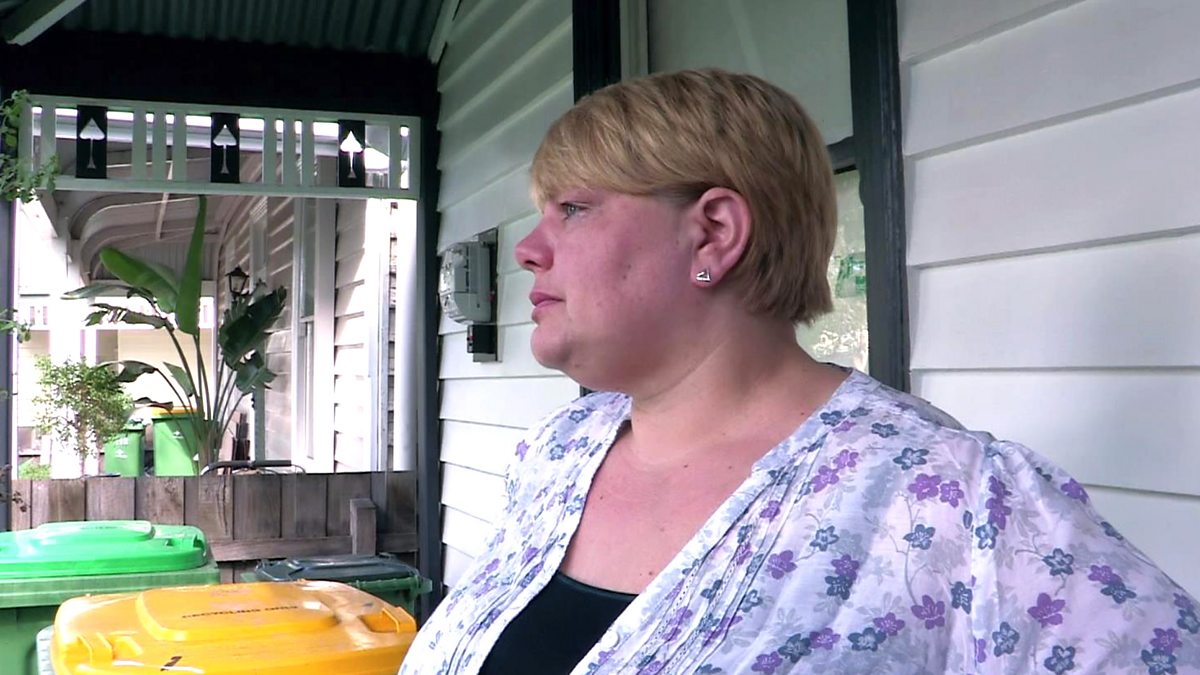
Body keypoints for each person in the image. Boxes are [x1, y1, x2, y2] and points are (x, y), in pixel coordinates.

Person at [399, 69, 1199, 674]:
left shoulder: (947, 496)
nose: (529, 249)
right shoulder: (558, 452)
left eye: (573, 208)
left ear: (714, 233)